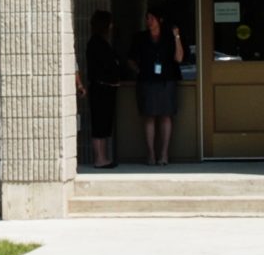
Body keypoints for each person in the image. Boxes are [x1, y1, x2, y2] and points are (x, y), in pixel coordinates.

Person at [128, 10, 187, 166]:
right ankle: (151, 154)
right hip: (147, 81)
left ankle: (164, 154)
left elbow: (179, 58)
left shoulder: (169, 37)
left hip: (167, 80)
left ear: (159, 19)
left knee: (166, 116)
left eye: (152, 18)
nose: (149, 21)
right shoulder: (140, 37)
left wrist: (177, 36)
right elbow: (131, 60)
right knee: (149, 116)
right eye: (147, 18)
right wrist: (139, 71)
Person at [80, 10, 128, 168]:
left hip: (106, 88)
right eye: (109, 23)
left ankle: (103, 157)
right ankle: (99, 158)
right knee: (99, 123)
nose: (112, 26)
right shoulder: (95, 43)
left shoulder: (101, 41)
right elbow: (101, 67)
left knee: (104, 123)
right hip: (100, 89)